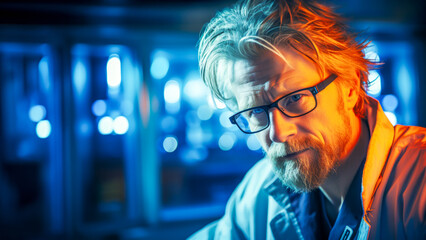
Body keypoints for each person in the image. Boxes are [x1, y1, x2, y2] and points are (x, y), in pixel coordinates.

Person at [189, 0, 426, 239]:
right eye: (256, 112)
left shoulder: (419, 184)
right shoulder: (258, 193)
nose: (278, 133)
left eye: (295, 99)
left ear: (351, 87)